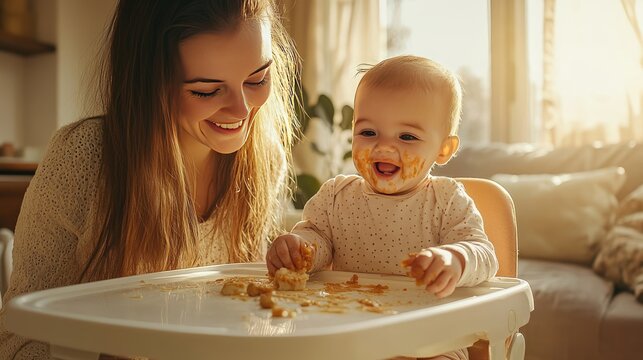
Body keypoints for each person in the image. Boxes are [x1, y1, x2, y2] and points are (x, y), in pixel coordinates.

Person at [0, 0, 299, 358]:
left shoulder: (266, 160)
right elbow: (17, 341)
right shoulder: (83, 159)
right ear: (148, 85)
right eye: (206, 90)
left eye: (257, 78)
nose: (242, 110)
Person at [266, 55, 499, 360]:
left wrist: (455, 258)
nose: (384, 147)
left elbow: (484, 252)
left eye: (407, 136)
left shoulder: (447, 200)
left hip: (429, 337)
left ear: (444, 149)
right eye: (368, 133)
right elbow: (317, 240)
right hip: (349, 328)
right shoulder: (336, 196)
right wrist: (299, 250)